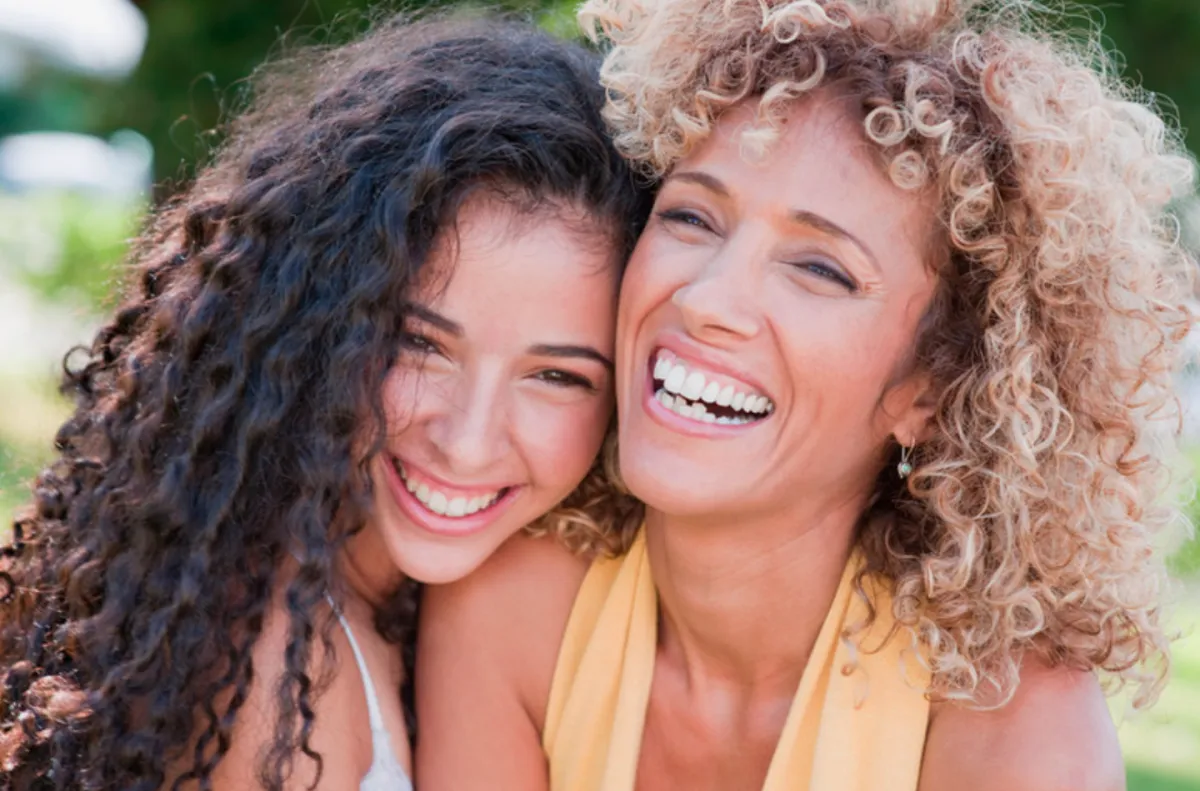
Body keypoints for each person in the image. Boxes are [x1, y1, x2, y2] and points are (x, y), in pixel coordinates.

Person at [415, 1, 1196, 789]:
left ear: (932, 388)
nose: (706, 299)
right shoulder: (513, 613)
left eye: (820, 268)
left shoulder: (1013, 728)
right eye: (692, 217)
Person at [0, 13, 651, 791]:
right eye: (421, 343)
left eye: (557, 376)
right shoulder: (267, 660)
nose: (469, 440)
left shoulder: (413, 608)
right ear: (319, 323)